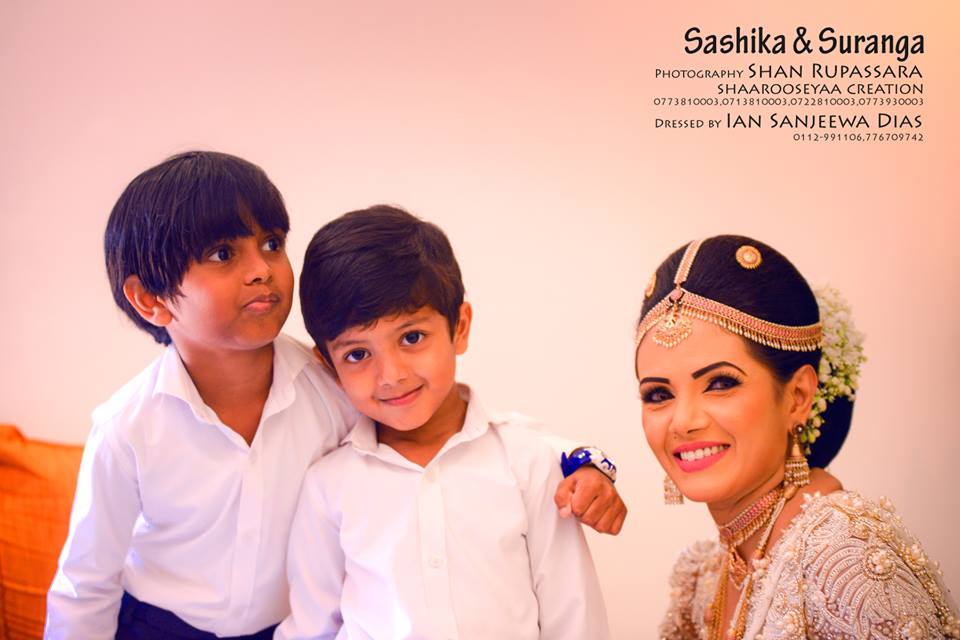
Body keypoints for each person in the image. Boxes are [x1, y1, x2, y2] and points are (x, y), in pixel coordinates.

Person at [46, 153, 623, 639]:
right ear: (150, 299)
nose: (261, 270)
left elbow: (477, 441)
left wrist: (584, 461)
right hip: (159, 625)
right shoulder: (127, 426)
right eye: (224, 254)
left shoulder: (337, 386)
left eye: (271, 243)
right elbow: (85, 583)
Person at [276, 205, 613, 639]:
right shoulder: (328, 487)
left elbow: (574, 616)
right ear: (329, 365)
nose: (391, 375)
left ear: (460, 327)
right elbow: (312, 627)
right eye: (357, 354)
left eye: (412, 337)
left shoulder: (529, 463)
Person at [633, 236, 959, 639]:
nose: (683, 422)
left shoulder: (841, 556)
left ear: (798, 397)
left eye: (720, 383)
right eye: (658, 394)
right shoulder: (702, 577)